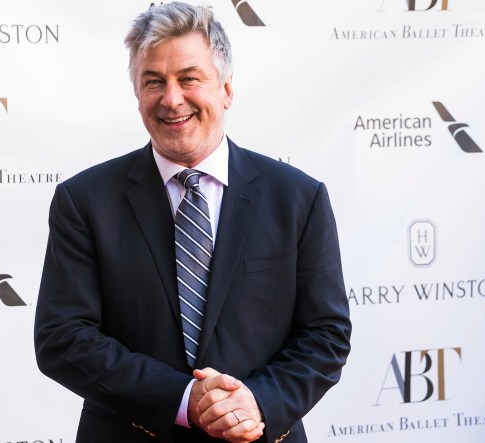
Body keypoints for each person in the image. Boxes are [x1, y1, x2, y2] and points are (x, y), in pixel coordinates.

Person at [34, 3, 351, 442]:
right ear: (137, 95)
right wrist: (185, 399)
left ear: (226, 89)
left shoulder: (298, 197)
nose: (171, 98)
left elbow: (325, 335)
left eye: (189, 78)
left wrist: (255, 403)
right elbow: (63, 339)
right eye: (153, 82)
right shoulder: (84, 200)